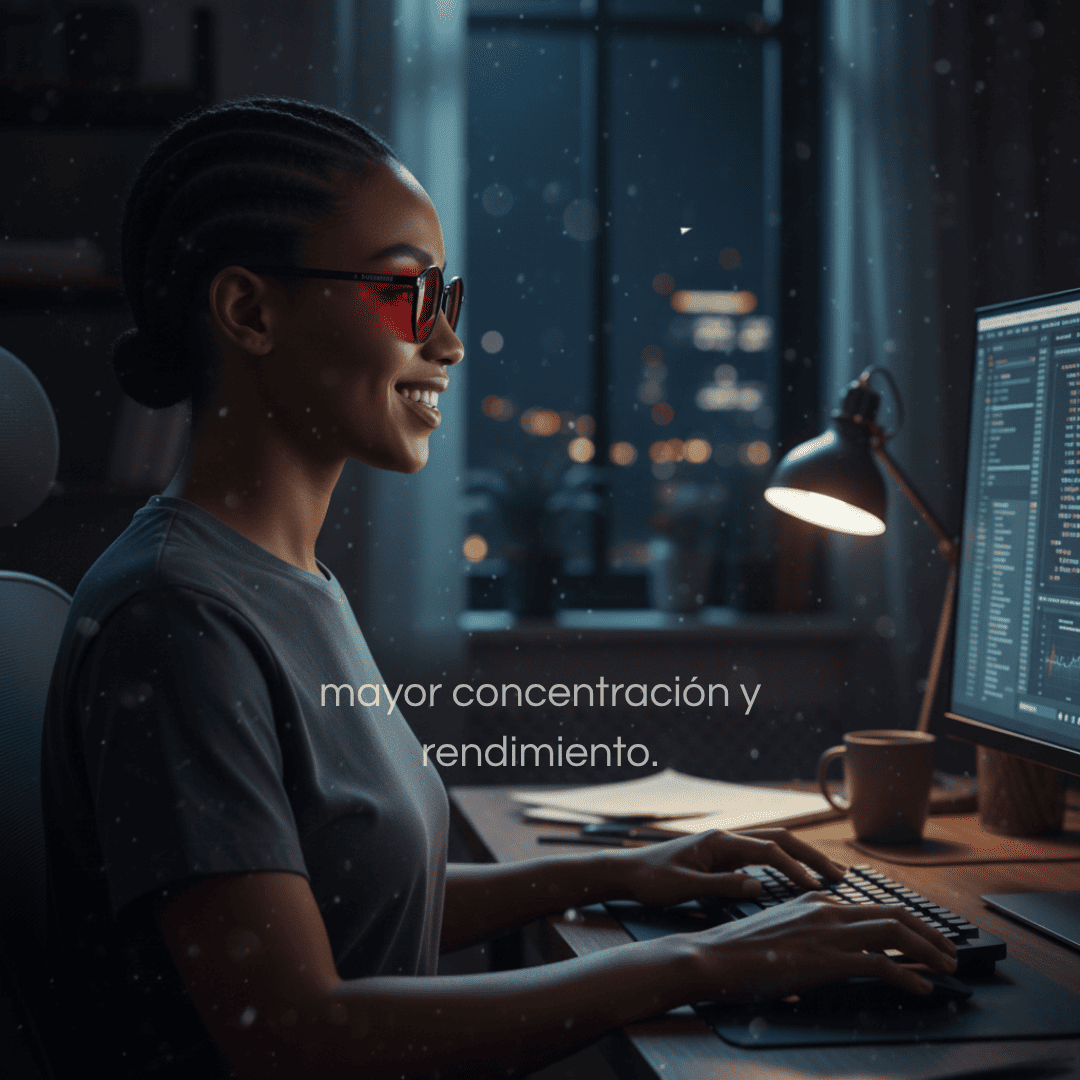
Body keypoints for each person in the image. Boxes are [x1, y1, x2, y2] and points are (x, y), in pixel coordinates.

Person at [39, 97, 957, 1080]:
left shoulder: (287, 584)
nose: (449, 343)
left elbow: (360, 897)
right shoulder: (179, 620)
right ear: (249, 312)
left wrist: (622, 873)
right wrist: (707, 961)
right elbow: (297, 1036)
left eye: (452, 299)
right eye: (406, 294)